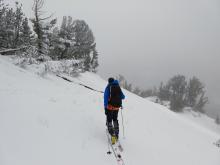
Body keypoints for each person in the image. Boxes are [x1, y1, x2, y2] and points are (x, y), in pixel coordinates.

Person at [104, 77, 125, 142]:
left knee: (109, 119)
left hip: (110, 107)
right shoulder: (117, 86)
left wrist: (105, 106)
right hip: (117, 107)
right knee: (115, 119)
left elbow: (106, 97)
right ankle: (116, 134)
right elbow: (123, 97)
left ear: (109, 81)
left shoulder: (108, 87)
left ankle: (112, 134)